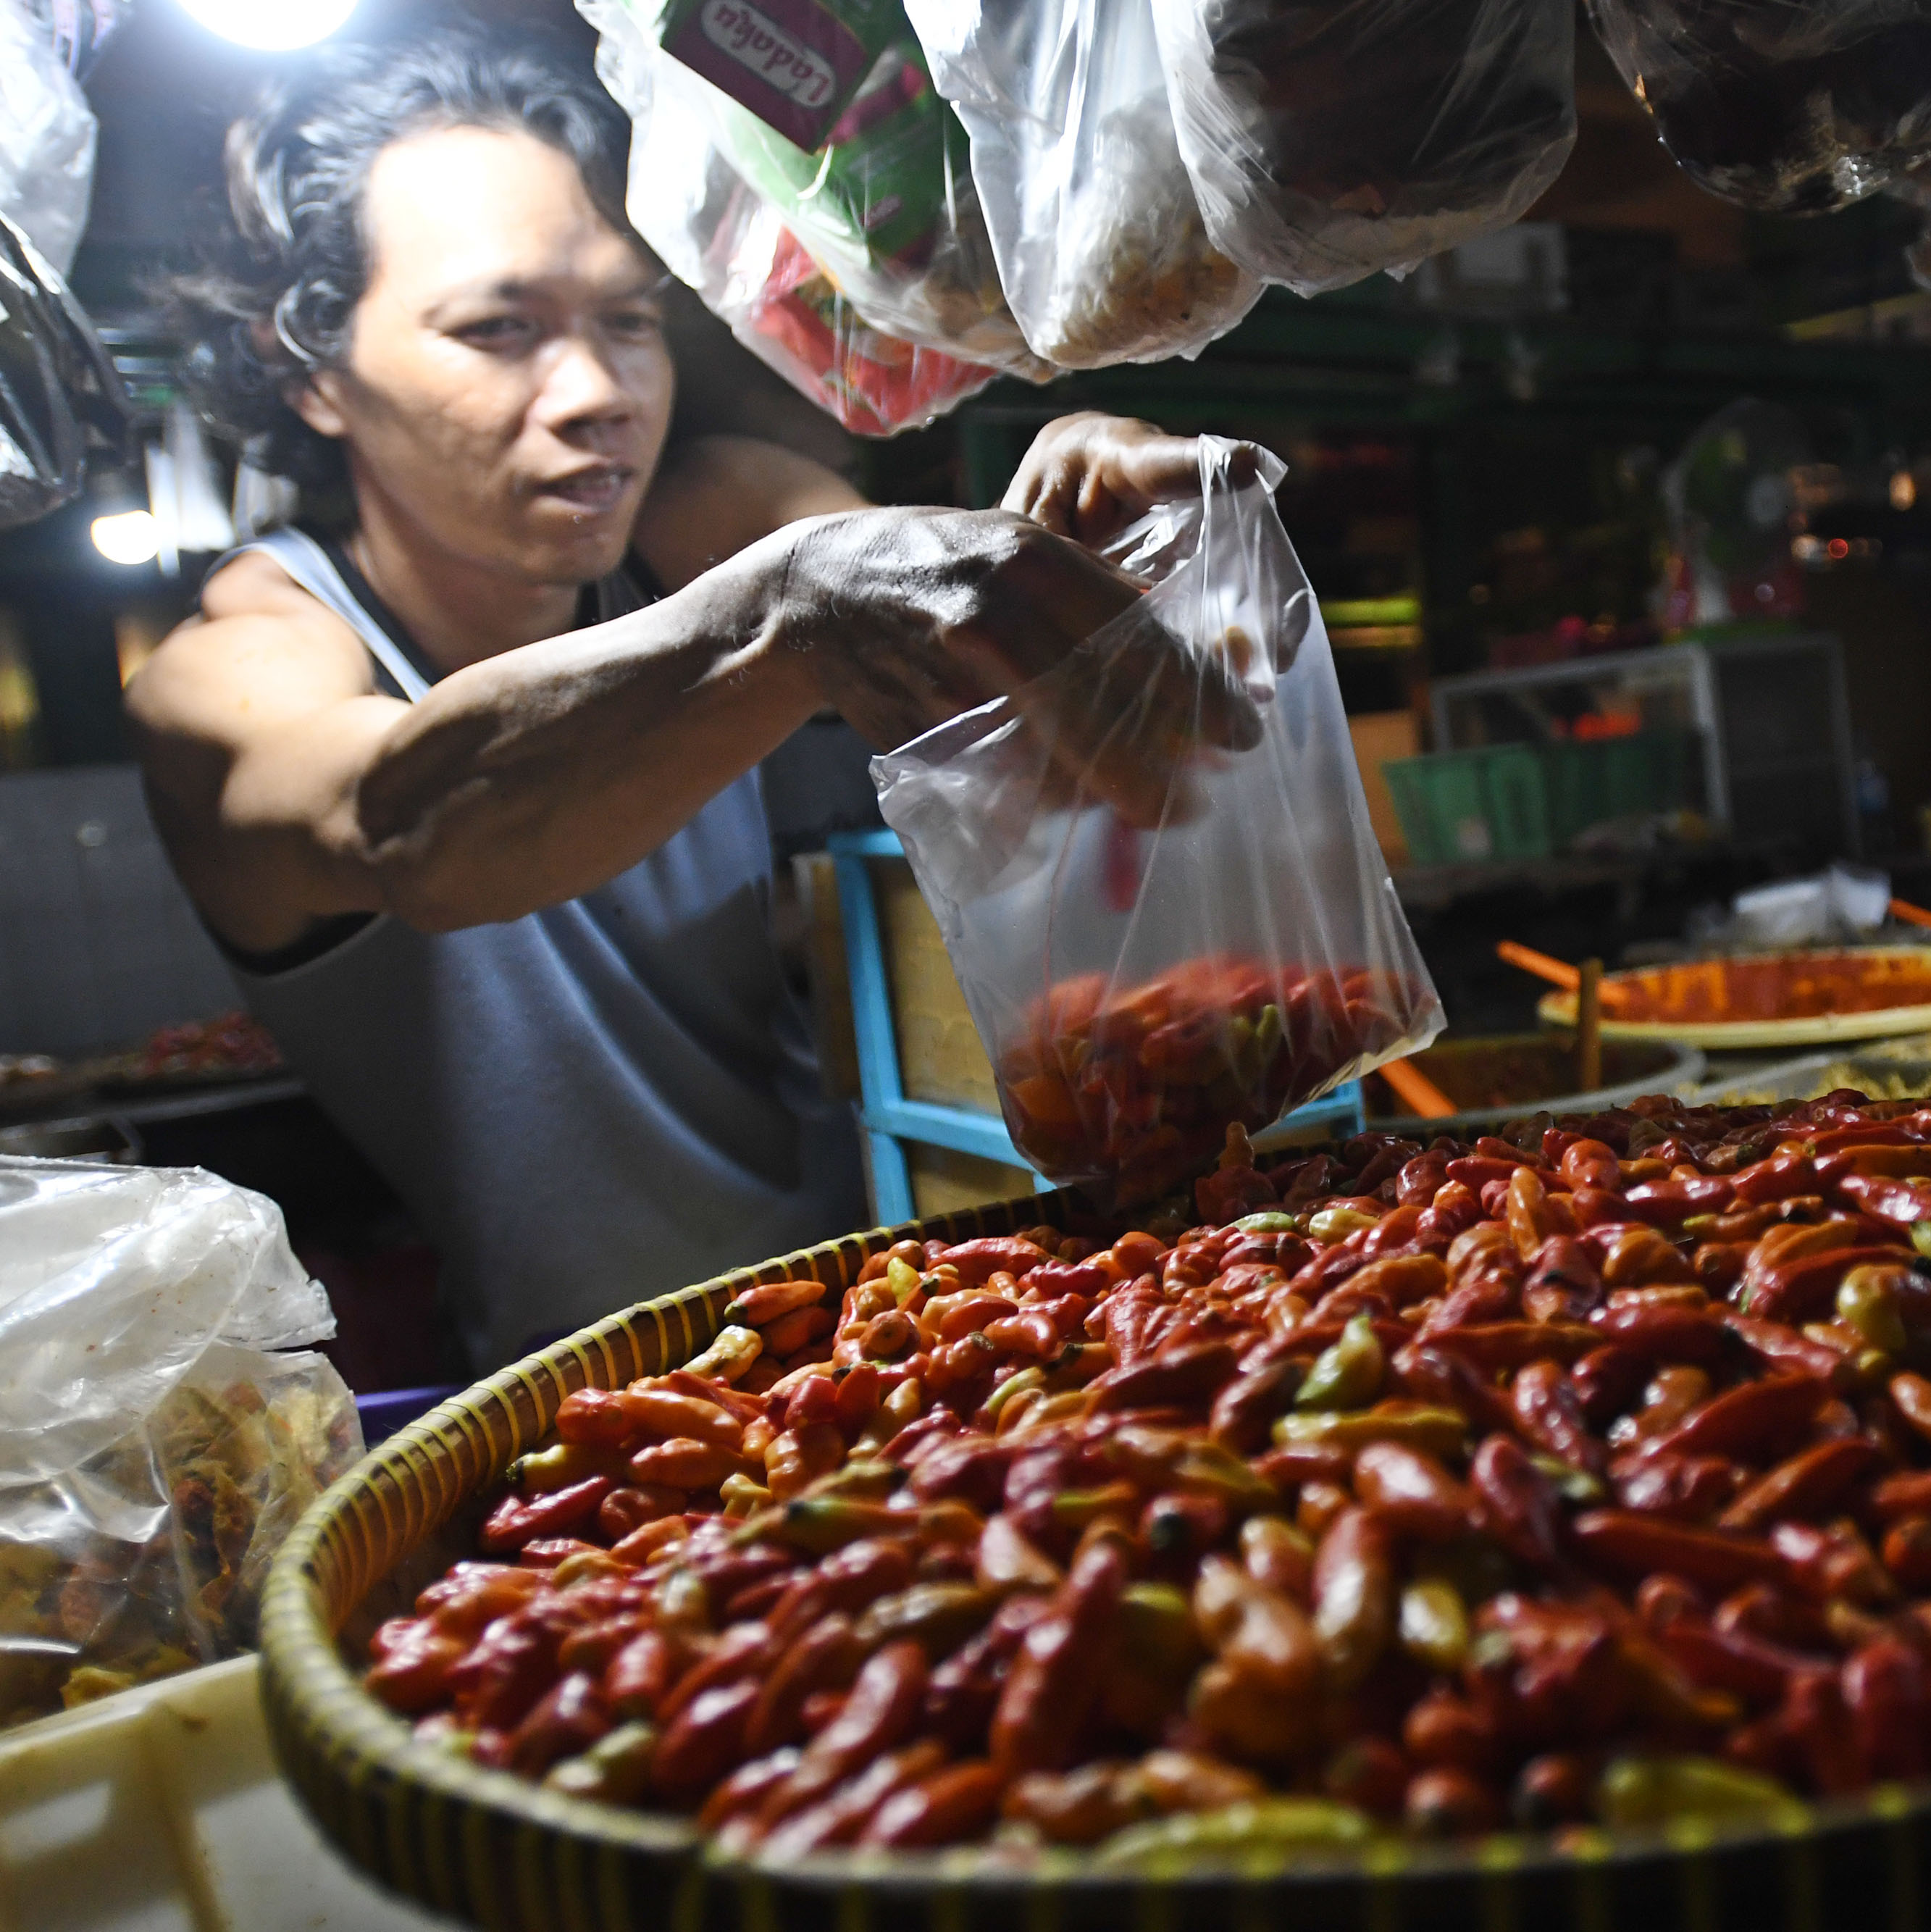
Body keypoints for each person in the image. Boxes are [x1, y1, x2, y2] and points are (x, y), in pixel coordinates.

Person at [130, 21, 1233, 1372]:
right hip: (590, 1414)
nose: (597, 393)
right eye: (500, 330)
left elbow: (936, 623)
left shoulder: (695, 524)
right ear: (310, 369)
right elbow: (398, 820)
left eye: (627, 324)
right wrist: (795, 610)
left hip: (909, 1323)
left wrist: (1062, 544)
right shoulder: (240, 666)